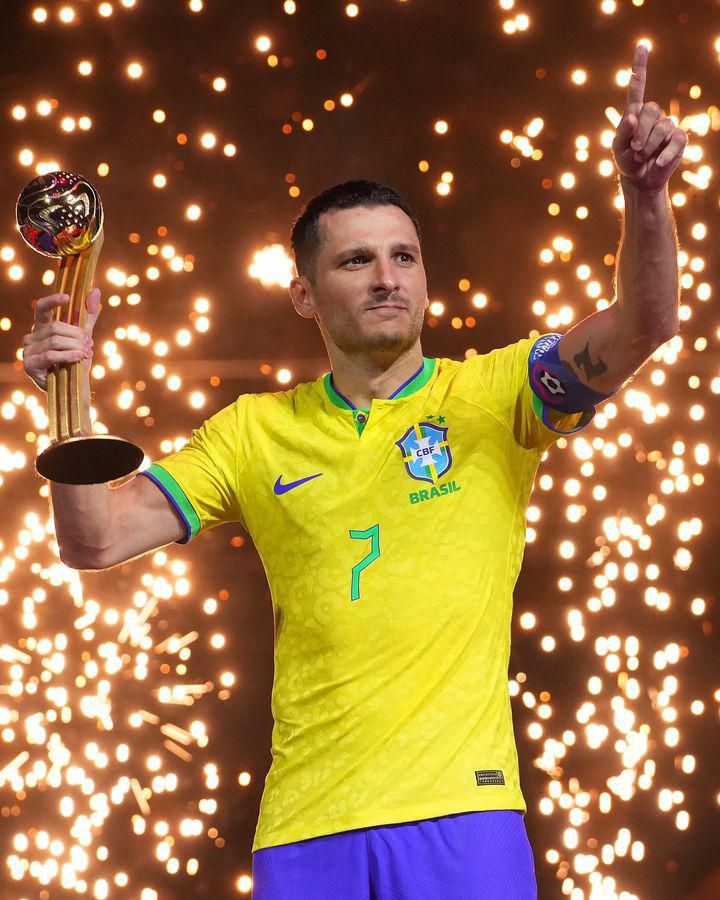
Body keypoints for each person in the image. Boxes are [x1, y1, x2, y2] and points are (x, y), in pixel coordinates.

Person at [22, 45, 685, 899]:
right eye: (355, 261)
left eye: (404, 257)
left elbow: (644, 323)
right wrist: (68, 398)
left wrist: (644, 196)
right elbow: (94, 541)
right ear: (303, 294)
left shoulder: (496, 394)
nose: (386, 279)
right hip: (306, 829)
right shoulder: (255, 432)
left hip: (465, 814)